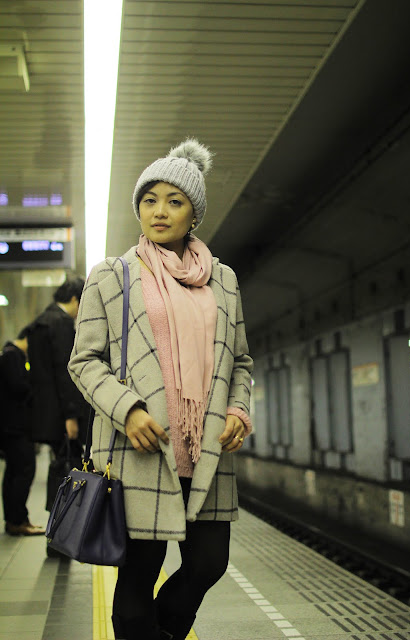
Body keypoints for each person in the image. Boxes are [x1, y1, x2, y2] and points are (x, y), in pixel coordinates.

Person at [68, 139, 253, 640]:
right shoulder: (113, 275)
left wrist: (239, 406)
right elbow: (84, 362)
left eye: (175, 200)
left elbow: (239, 361)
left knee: (208, 564)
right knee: (135, 584)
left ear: (194, 213)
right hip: (141, 449)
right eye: (150, 199)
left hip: (207, 449)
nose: (160, 211)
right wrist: (127, 410)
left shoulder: (224, 281)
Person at [27, 276, 88, 455]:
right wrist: (71, 416)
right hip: (61, 414)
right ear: (74, 299)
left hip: (45, 411)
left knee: (58, 463)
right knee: (67, 468)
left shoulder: (40, 322)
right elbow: (64, 371)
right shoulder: (61, 323)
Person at [0, 328, 45, 536]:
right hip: (15, 427)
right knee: (23, 471)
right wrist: (34, 386)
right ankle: (17, 520)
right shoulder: (12, 355)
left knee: (14, 472)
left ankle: (16, 519)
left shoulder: (10, 354)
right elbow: (18, 386)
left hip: (11, 427)